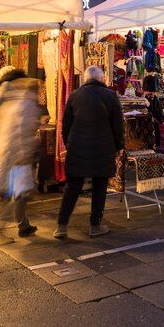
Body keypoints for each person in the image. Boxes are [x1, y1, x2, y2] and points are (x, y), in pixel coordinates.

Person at [54, 65, 124, 239]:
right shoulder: (110, 96)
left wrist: (69, 144)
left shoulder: (74, 95)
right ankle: (95, 226)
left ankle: (62, 225)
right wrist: (118, 147)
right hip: (103, 147)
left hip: (78, 146)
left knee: (72, 187)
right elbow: (118, 126)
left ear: (86, 79)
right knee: (100, 188)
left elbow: (66, 124)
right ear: (101, 79)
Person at [0, 67, 43, 238]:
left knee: (14, 192)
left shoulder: (7, 99)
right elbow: (24, 128)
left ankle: (23, 224)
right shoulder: (25, 102)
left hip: (5, 151)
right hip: (18, 153)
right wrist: (25, 153)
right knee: (18, 192)